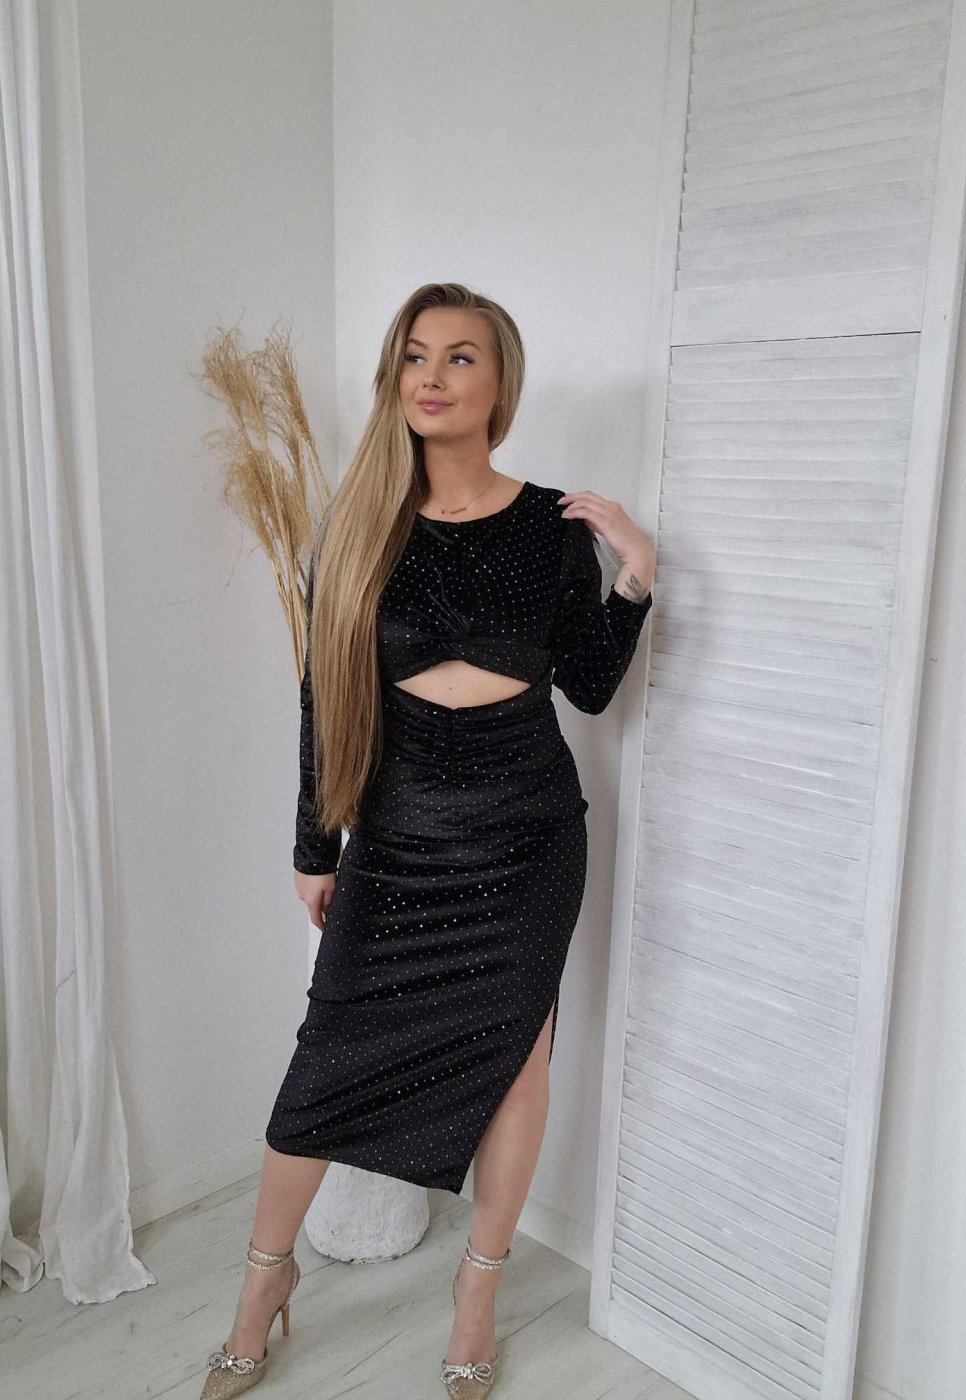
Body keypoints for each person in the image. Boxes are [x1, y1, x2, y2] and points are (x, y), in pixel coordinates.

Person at [199, 282, 655, 1399]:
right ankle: (263, 1282)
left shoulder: (551, 529)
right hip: (399, 835)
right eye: (414, 356)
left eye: (459, 357)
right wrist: (317, 848)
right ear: (392, 379)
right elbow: (323, 702)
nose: (432, 377)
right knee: (323, 1064)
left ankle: (478, 1291)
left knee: (517, 1063)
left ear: (499, 383)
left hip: (526, 837)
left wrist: (636, 576)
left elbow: (589, 689)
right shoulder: (357, 526)